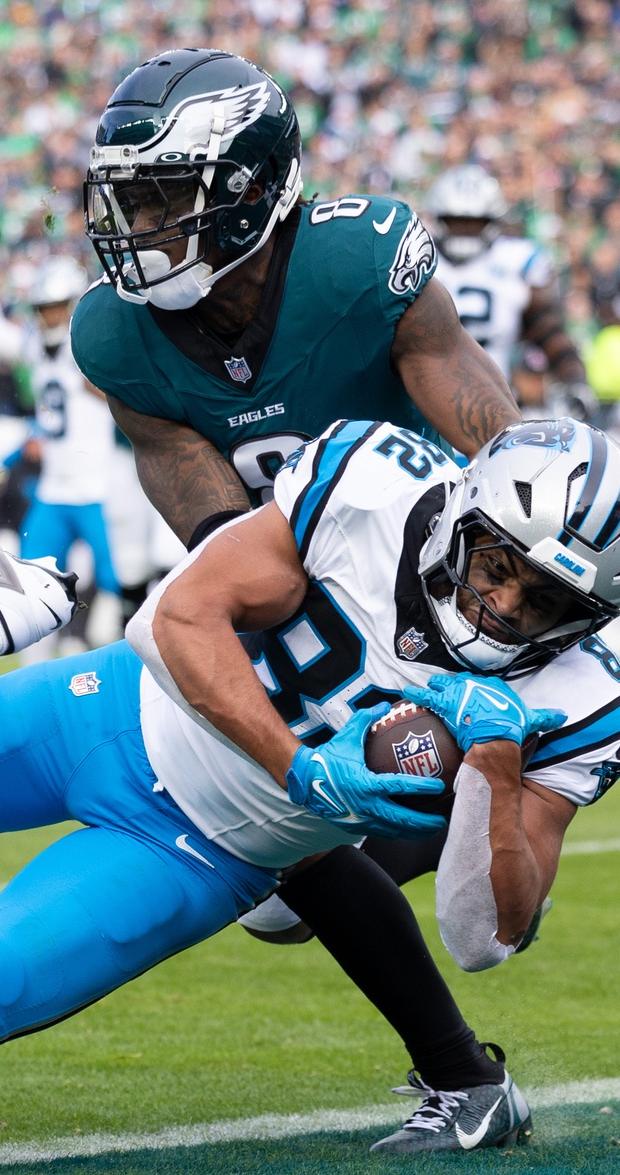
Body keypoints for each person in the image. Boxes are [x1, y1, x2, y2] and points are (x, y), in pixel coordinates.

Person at [0, 417, 620, 1153]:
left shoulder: (581, 697)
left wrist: (492, 767)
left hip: (202, 854)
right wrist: (300, 772)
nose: (507, 608)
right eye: (498, 568)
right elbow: (174, 615)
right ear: (464, 519)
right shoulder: (373, 484)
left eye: (549, 602)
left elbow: (485, 937)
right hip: (111, 713)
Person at [71, 47, 535, 1116]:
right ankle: (464, 1076)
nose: (131, 228)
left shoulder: (353, 260)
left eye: (159, 199)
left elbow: (486, 430)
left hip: (437, 583)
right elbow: (210, 516)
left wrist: (530, 540)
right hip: (295, 581)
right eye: (123, 201)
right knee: (280, 853)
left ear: (244, 191)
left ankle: (465, 1033)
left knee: (424, 856)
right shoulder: (113, 333)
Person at [0, 239, 123, 649]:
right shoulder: (36, 346)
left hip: (100, 484)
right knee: (31, 574)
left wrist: (102, 388)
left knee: (120, 579)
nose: (50, 316)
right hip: (54, 486)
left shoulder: (96, 345)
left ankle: (109, 648)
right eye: (43, 308)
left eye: (56, 306)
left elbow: (128, 397)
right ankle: (43, 655)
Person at [424, 165, 594, 417]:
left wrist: (573, 379)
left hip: (495, 402)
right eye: (455, 222)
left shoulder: (516, 260)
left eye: (474, 223)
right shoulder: (419, 260)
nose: (465, 231)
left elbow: (547, 330)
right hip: (424, 401)